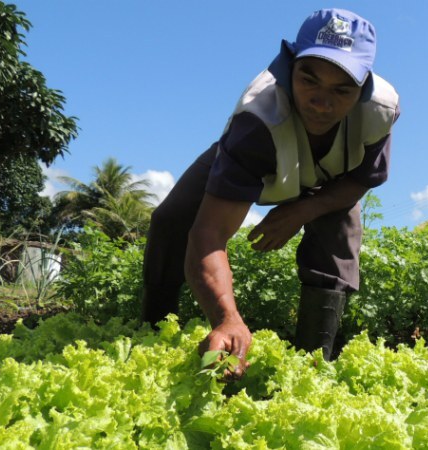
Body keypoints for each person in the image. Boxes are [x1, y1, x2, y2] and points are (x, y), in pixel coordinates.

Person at [140, 8, 400, 379]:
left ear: (363, 89)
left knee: (338, 231)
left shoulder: (381, 111)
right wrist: (226, 317)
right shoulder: (258, 117)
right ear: (288, 67)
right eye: (309, 81)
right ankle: (152, 329)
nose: (321, 102)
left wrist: (301, 211)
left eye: (341, 90)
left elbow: (360, 180)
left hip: (328, 181)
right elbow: (210, 233)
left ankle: (312, 366)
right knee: (173, 219)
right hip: (258, 159)